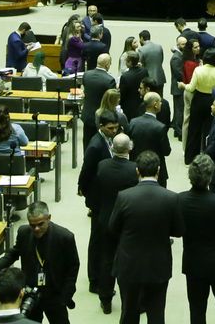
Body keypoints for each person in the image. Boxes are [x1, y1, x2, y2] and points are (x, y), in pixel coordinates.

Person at [110, 150, 184, 324]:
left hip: (129, 265)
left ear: (137, 171)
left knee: (129, 313)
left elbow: (112, 227)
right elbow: (179, 230)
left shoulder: (124, 196)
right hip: (158, 265)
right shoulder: (171, 198)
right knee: (156, 314)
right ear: (158, 170)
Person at [0, 201, 80, 324]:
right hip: (30, 294)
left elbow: (73, 267)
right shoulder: (24, 232)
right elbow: (13, 254)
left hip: (55, 294)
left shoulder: (65, 237)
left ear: (49, 218)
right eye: (32, 225)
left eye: (40, 224)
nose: (36, 229)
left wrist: (66, 296)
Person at [179, 154, 215, 324]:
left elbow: (178, 229)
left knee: (196, 309)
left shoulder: (180, 200)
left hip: (193, 263)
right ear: (210, 176)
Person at [89, 134, 137, 314]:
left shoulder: (102, 166)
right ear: (129, 148)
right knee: (129, 261)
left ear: (112, 148)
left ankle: (106, 299)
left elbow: (96, 191)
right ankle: (130, 301)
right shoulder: (134, 169)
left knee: (107, 259)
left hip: (106, 219)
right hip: (127, 222)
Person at [181, 51, 215, 161]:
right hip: (212, 100)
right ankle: (207, 157)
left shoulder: (198, 70)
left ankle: (190, 158)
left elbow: (191, 88)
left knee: (194, 130)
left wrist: (183, 85)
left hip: (198, 99)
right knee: (209, 131)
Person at [126, 92, 172, 187]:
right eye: (160, 102)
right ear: (155, 104)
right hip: (155, 170)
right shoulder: (160, 127)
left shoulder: (133, 122)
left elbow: (129, 146)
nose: (161, 104)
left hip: (137, 168)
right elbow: (166, 151)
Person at [76, 111, 123, 201]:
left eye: (116, 127)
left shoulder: (108, 137)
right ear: (101, 126)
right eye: (110, 128)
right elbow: (87, 169)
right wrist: (81, 187)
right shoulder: (95, 146)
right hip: (98, 191)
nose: (114, 131)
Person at [82, 53, 117, 144]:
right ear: (107, 65)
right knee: (101, 144)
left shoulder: (86, 75)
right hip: (102, 118)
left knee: (87, 142)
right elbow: (111, 100)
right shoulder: (110, 80)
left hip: (87, 116)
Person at [118, 51, 148, 120]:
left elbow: (122, 94)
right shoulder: (144, 71)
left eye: (126, 61)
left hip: (128, 107)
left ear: (130, 62)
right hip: (142, 104)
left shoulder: (125, 76)